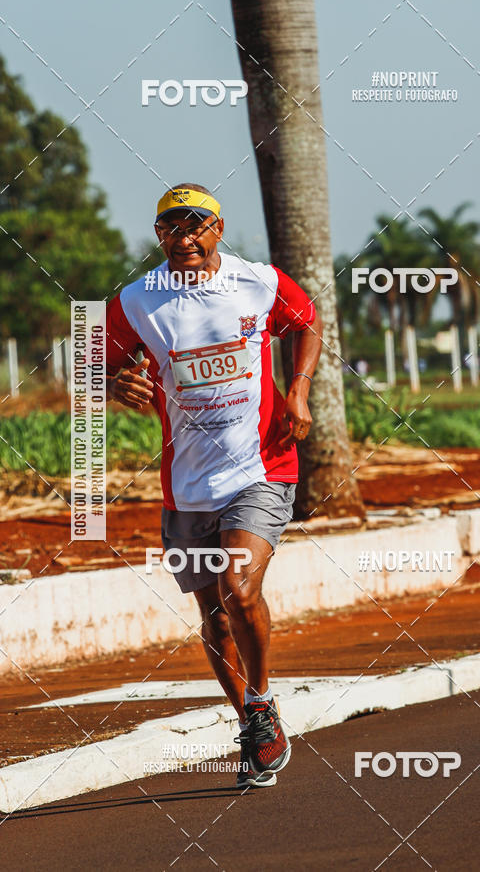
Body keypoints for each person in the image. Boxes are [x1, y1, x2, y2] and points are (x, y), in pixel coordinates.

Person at [105, 183, 323, 788]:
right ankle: (255, 722)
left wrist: (298, 390)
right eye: (172, 228)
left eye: (196, 225)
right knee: (216, 617)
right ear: (159, 236)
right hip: (186, 484)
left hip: (261, 466)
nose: (185, 238)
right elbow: (97, 362)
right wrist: (115, 385)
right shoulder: (137, 300)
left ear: (218, 229)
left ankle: (261, 700)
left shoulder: (258, 281)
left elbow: (307, 322)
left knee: (238, 586)